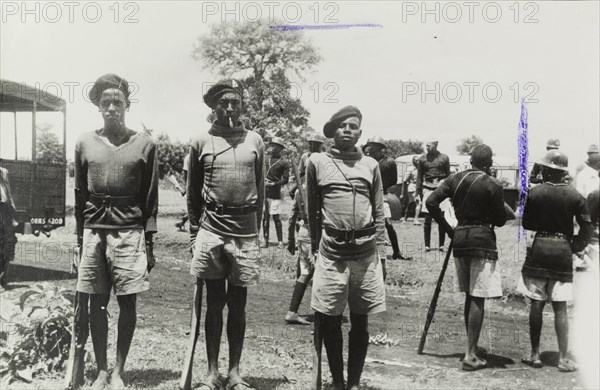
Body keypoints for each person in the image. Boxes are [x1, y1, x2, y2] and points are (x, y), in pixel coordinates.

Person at [70, 73, 158, 389]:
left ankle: (119, 370)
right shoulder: (84, 142)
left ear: (127, 106)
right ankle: (102, 370)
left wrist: (149, 242)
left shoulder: (145, 145)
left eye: (117, 103)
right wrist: (79, 240)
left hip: (130, 231)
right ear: (98, 107)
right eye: (105, 103)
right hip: (94, 231)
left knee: (128, 303)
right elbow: (79, 194)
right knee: (96, 302)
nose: (111, 108)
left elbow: (150, 197)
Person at [185, 79, 264, 390]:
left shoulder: (255, 140)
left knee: (238, 303)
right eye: (223, 103)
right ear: (213, 107)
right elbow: (192, 194)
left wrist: (257, 232)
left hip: (245, 234)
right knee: (214, 303)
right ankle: (211, 374)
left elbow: (260, 189)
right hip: (212, 231)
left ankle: (234, 374)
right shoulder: (200, 141)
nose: (230, 108)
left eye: (235, 102)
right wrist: (194, 233)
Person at [307, 106, 386, 390]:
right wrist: (312, 246)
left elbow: (379, 213)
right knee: (330, 320)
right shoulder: (317, 162)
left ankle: (353, 382)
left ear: (360, 133)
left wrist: (383, 252)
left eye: (353, 126)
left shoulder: (371, 166)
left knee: (360, 322)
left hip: (365, 254)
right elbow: (312, 210)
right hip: (331, 254)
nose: (348, 130)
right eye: (342, 126)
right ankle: (337, 382)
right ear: (332, 131)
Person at [427, 144, 510, 371]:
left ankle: (471, 347)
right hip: (482, 240)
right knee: (477, 297)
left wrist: (447, 227)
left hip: (460, 238)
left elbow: (430, 202)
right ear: (489, 163)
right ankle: (471, 354)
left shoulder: (454, 180)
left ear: (470, 160)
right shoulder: (493, 184)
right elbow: (501, 220)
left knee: (469, 296)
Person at [517, 150, 592, 372]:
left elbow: (527, 224)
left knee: (537, 302)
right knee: (560, 307)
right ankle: (563, 358)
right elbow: (586, 227)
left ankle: (534, 354)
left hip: (540, 248)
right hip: (562, 251)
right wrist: (576, 246)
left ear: (547, 170)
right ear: (563, 172)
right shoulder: (575, 195)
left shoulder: (535, 192)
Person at [365, 136, 411, 261]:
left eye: (375, 147)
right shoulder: (366, 161)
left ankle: (397, 252)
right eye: (371, 146)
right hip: (367, 196)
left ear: (381, 148)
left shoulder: (389, 162)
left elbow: (394, 180)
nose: (372, 149)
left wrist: (380, 187)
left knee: (388, 224)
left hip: (382, 195)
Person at [416, 140, 450, 251]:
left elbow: (448, 175)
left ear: (435, 145)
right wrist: (418, 193)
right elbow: (419, 177)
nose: (427, 147)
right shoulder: (422, 159)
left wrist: (449, 191)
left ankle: (441, 245)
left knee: (441, 216)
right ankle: (427, 245)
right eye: (426, 145)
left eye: (429, 145)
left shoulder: (444, 158)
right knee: (427, 218)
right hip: (427, 188)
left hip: (441, 188)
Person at [263, 137, 290, 249]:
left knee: (275, 217)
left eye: (275, 146)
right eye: (271, 145)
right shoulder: (266, 160)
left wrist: (274, 184)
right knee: (265, 217)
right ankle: (265, 241)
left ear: (280, 148)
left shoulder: (284, 162)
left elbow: (286, 179)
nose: (272, 147)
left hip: (275, 193)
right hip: (265, 192)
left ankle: (280, 242)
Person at [0, 165, 17, 289]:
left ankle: (2, 279)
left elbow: (8, 192)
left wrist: (12, 209)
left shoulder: (4, 172)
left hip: (5, 210)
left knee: (8, 244)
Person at [174, 154, 190, 231]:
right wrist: (185, 188)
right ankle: (182, 222)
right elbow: (185, 175)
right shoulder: (188, 157)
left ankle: (181, 222)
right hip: (192, 187)